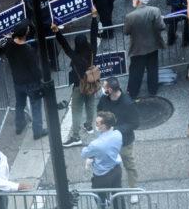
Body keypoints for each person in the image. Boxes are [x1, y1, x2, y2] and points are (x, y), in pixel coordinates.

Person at [53, 15, 98, 146]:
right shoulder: (92, 51)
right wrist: (94, 18)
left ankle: (75, 137)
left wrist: (57, 32)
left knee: (76, 111)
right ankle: (89, 125)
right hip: (91, 83)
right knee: (90, 105)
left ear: (77, 45)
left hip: (79, 86)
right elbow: (94, 35)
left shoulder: (75, 56)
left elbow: (64, 45)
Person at [97, 78, 140, 190]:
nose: (102, 88)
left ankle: (134, 189)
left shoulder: (128, 103)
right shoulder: (104, 99)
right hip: (108, 141)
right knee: (110, 167)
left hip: (124, 142)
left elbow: (135, 123)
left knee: (129, 165)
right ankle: (114, 188)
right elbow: (99, 111)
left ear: (110, 90)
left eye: (104, 86)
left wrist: (116, 129)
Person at [123, 0, 165, 99]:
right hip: (153, 46)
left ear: (139, 0)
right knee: (152, 69)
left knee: (136, 71)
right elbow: (161, 26)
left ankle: (133, 92)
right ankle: (153, 90)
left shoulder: (130, 16)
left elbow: (126, 31)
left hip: (138, 48)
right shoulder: (155, 11)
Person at [82, 111, 124, 194]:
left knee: (100, 198)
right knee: (118, 196)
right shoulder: (118, 134)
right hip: (116, 169)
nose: (95, 124)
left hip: (102, 175)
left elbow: (84, 153)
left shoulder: (96, 144)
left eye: (97, 123)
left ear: (104, 126)